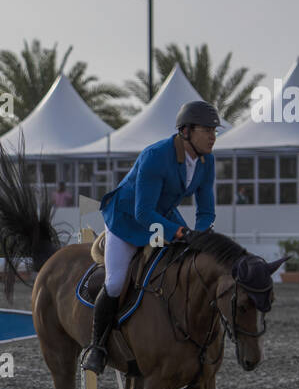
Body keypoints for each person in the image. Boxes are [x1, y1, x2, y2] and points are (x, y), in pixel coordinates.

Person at [84, 100, 220, 374]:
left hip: (163, 216)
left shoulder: (207, 161)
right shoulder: (156, 155)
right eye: (206, 130)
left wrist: (201, 235)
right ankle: (96, 347)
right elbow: (143, 212)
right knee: (114, 282)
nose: (212, 136)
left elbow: (206, 210)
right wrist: (180, 232)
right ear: (185, 132)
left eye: (214, 130)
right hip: (128, 218)